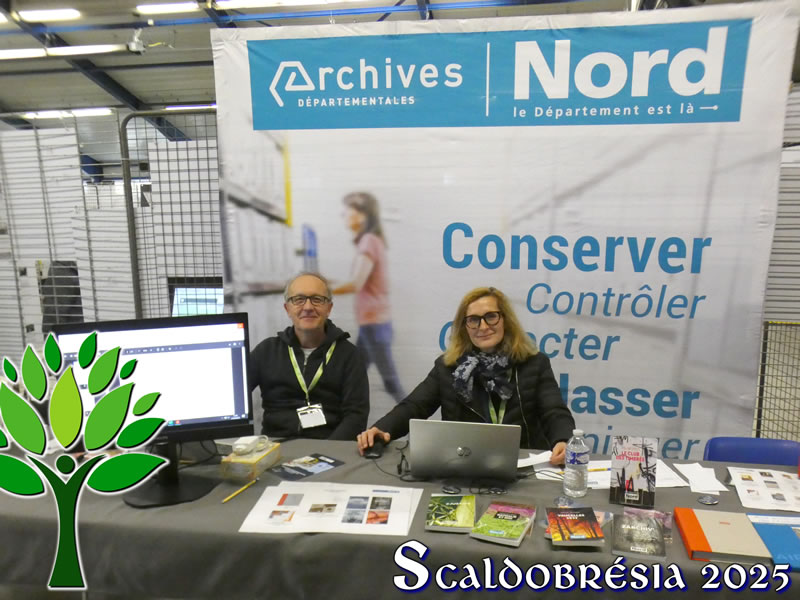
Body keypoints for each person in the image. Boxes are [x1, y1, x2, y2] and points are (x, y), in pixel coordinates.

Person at [357, 286, 575, 465]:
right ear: (465, 327)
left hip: (523, 464)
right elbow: (414, 406)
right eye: (473, 320)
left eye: (491, 317)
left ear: (506, 320)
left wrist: (563, 440)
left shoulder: (534, 363)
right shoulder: (448, 367)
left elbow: (554, 411)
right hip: (463, 463)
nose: (483, 326)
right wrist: (382, 429)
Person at [249, 272, 369, 441]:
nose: (308, 307)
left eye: (317, 299)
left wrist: (326, 452)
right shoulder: (266, 351)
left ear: (329, 308)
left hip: (330, 447)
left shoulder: (349, 355)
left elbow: (356, 416)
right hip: (276, 447)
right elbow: (236, 396)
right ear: (287, 308)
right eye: (298, 299)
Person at [332, 192, 406, 403]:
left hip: (375, 325)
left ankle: (415, 420)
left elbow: (355, 284)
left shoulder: (369, 241)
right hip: (372, 324)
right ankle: (341, 417)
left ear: (362, 214)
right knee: (353, 378)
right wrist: (326, 283)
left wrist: (318, 291)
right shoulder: (372, 241)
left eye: (347, 210)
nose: (343, 215)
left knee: (391, 383)